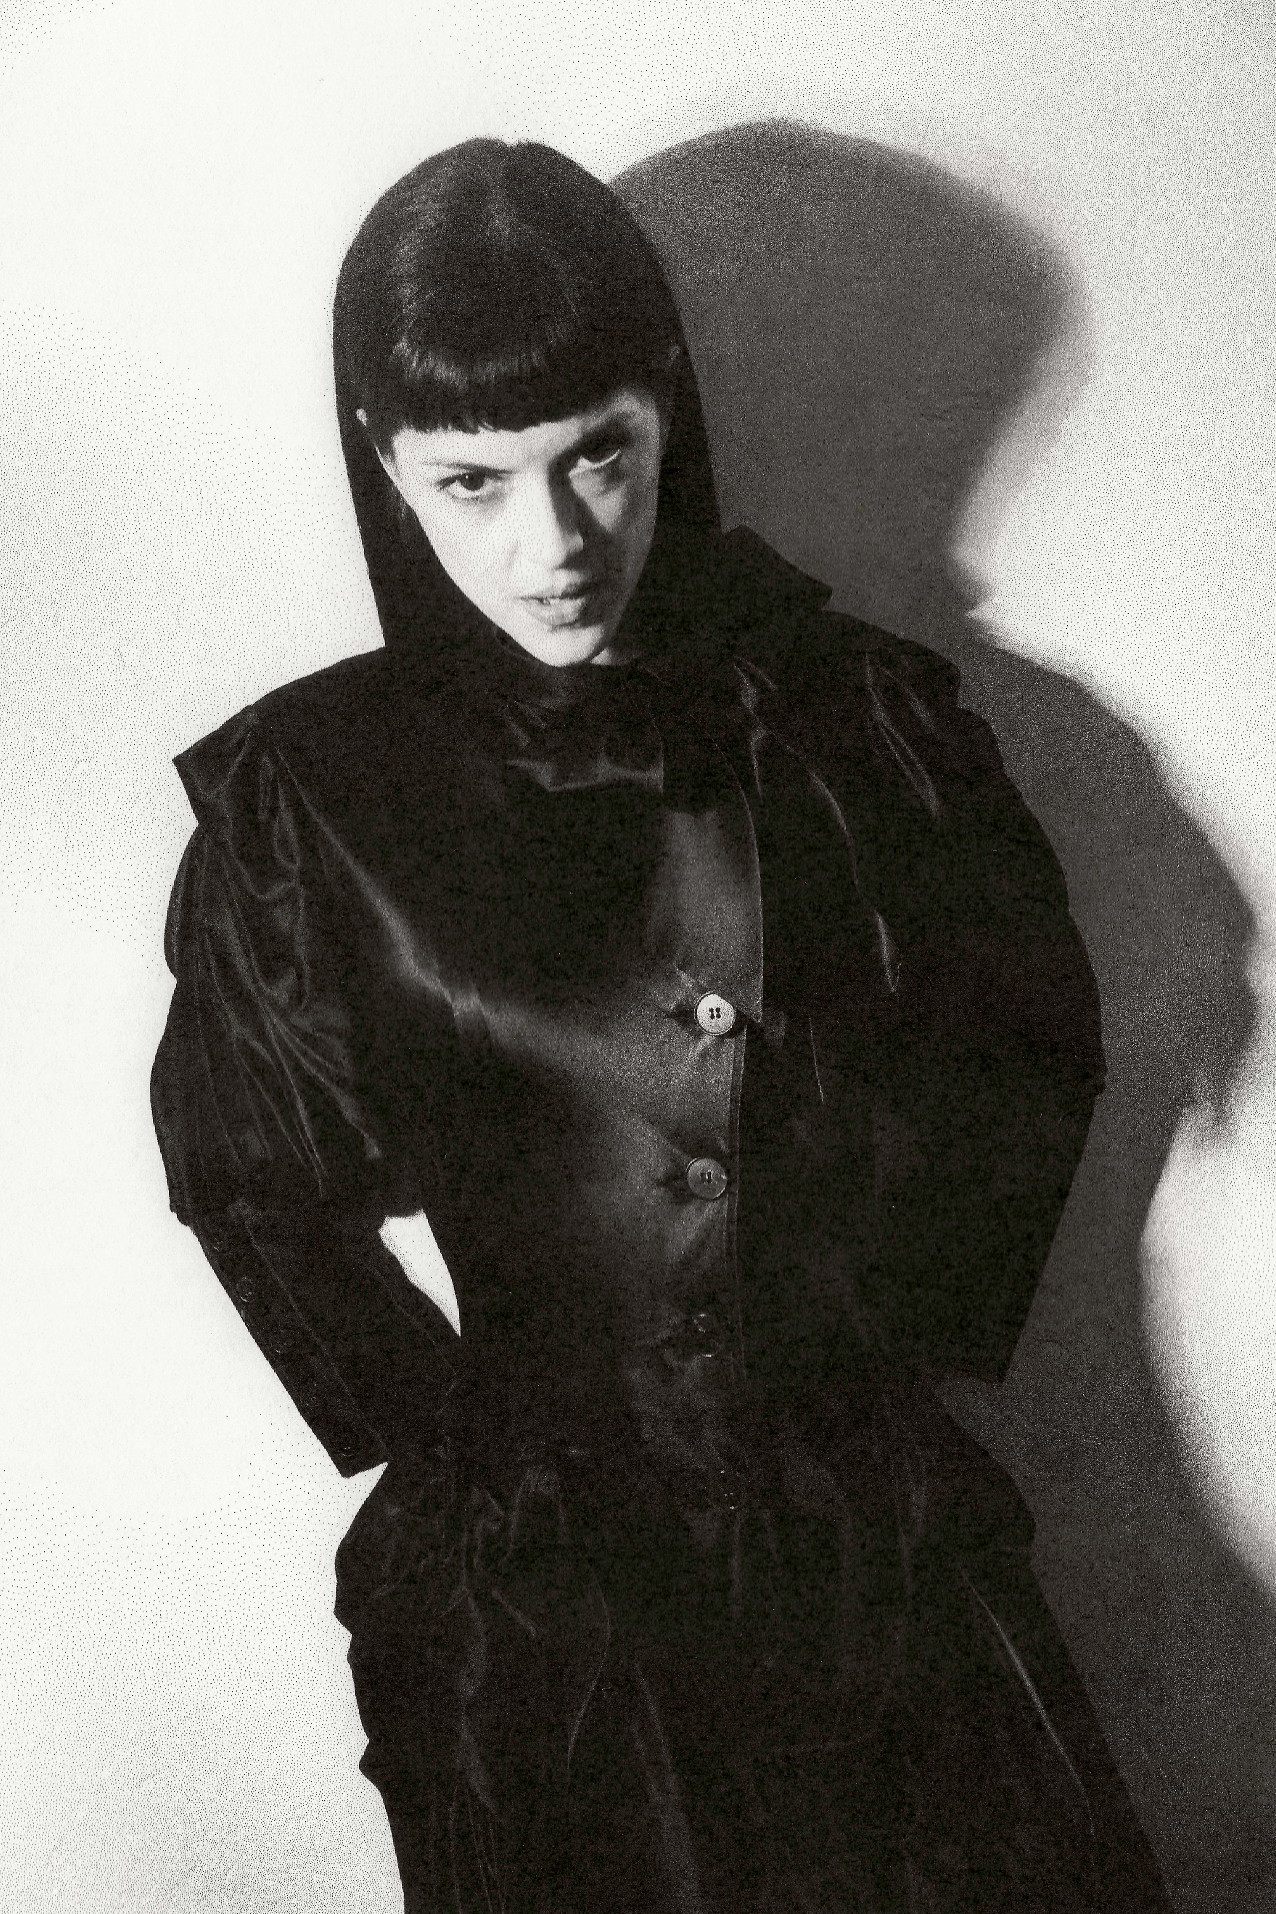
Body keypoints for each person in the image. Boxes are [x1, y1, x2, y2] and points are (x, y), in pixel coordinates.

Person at [150, 139, 1170, 1912]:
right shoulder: (314, 797)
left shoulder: (861, 719)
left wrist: (890, 1344)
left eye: (595, 455)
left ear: (667, 407)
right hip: (555, 1627)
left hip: (874, 1566)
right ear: (385, 463)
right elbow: (245, 1169)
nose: (551, 543)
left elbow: (1028, 1042)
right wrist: (450, 1448)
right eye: (472, 480)